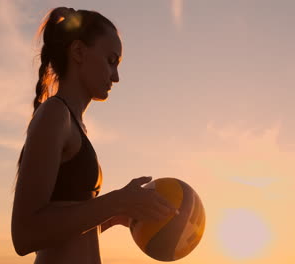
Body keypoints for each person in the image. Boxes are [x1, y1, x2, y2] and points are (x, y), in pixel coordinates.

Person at [10, 7, 177, 264]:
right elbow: (25, 234)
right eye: (111, 61)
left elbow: (66, 230)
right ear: (78, 52)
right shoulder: (55, 114)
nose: (116, 76)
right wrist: (118, 201)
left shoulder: (75, 124)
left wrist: (119, 214)